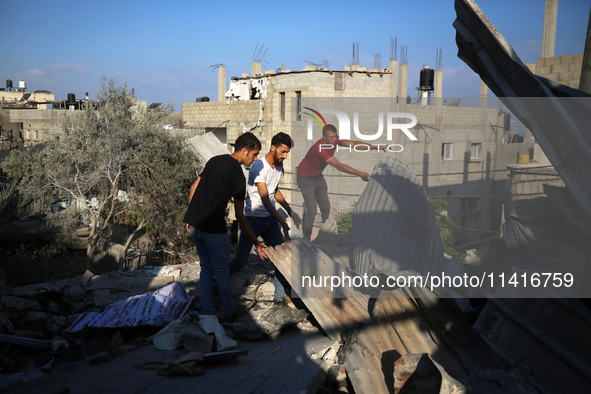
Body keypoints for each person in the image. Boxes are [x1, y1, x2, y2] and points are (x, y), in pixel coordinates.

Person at [184, 132, 266, 320]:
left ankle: (208, 313)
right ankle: (228, 314)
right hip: (213, 228)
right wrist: (255, 240)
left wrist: (190, 215)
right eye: (254, 155)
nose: (255, 159)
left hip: (195, 225)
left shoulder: (214, 160)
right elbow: (239, 214)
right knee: (221, 272)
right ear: (244, 150)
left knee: (206, 269)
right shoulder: (238, 177)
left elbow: (193, 188)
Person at [230, 132, 301, 304]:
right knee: (241, 260)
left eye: (287, 153)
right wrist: (282, 221)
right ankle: (218, 281)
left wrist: (291, 211)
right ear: (273, 148)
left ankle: (279, 299)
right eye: (283, 152)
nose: (285, 156)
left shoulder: (278, 167)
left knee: (282, 258)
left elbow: (273, 191)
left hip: (269, 220)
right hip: (253, 220)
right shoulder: (258, 167)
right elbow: (264, 197)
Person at [297, 123, 382, 240]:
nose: (334, 140)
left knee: (325, 207)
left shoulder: (334, 141)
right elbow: (339, 166)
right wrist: (360, 174)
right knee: (312, 209)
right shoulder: (320, 149)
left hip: (317, 177)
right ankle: (306, 239)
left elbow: (353, 144)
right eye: (331, 137)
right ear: (324, 138)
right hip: (305, 177)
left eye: (336, 137)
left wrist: (374, 146)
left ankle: (327, 235)